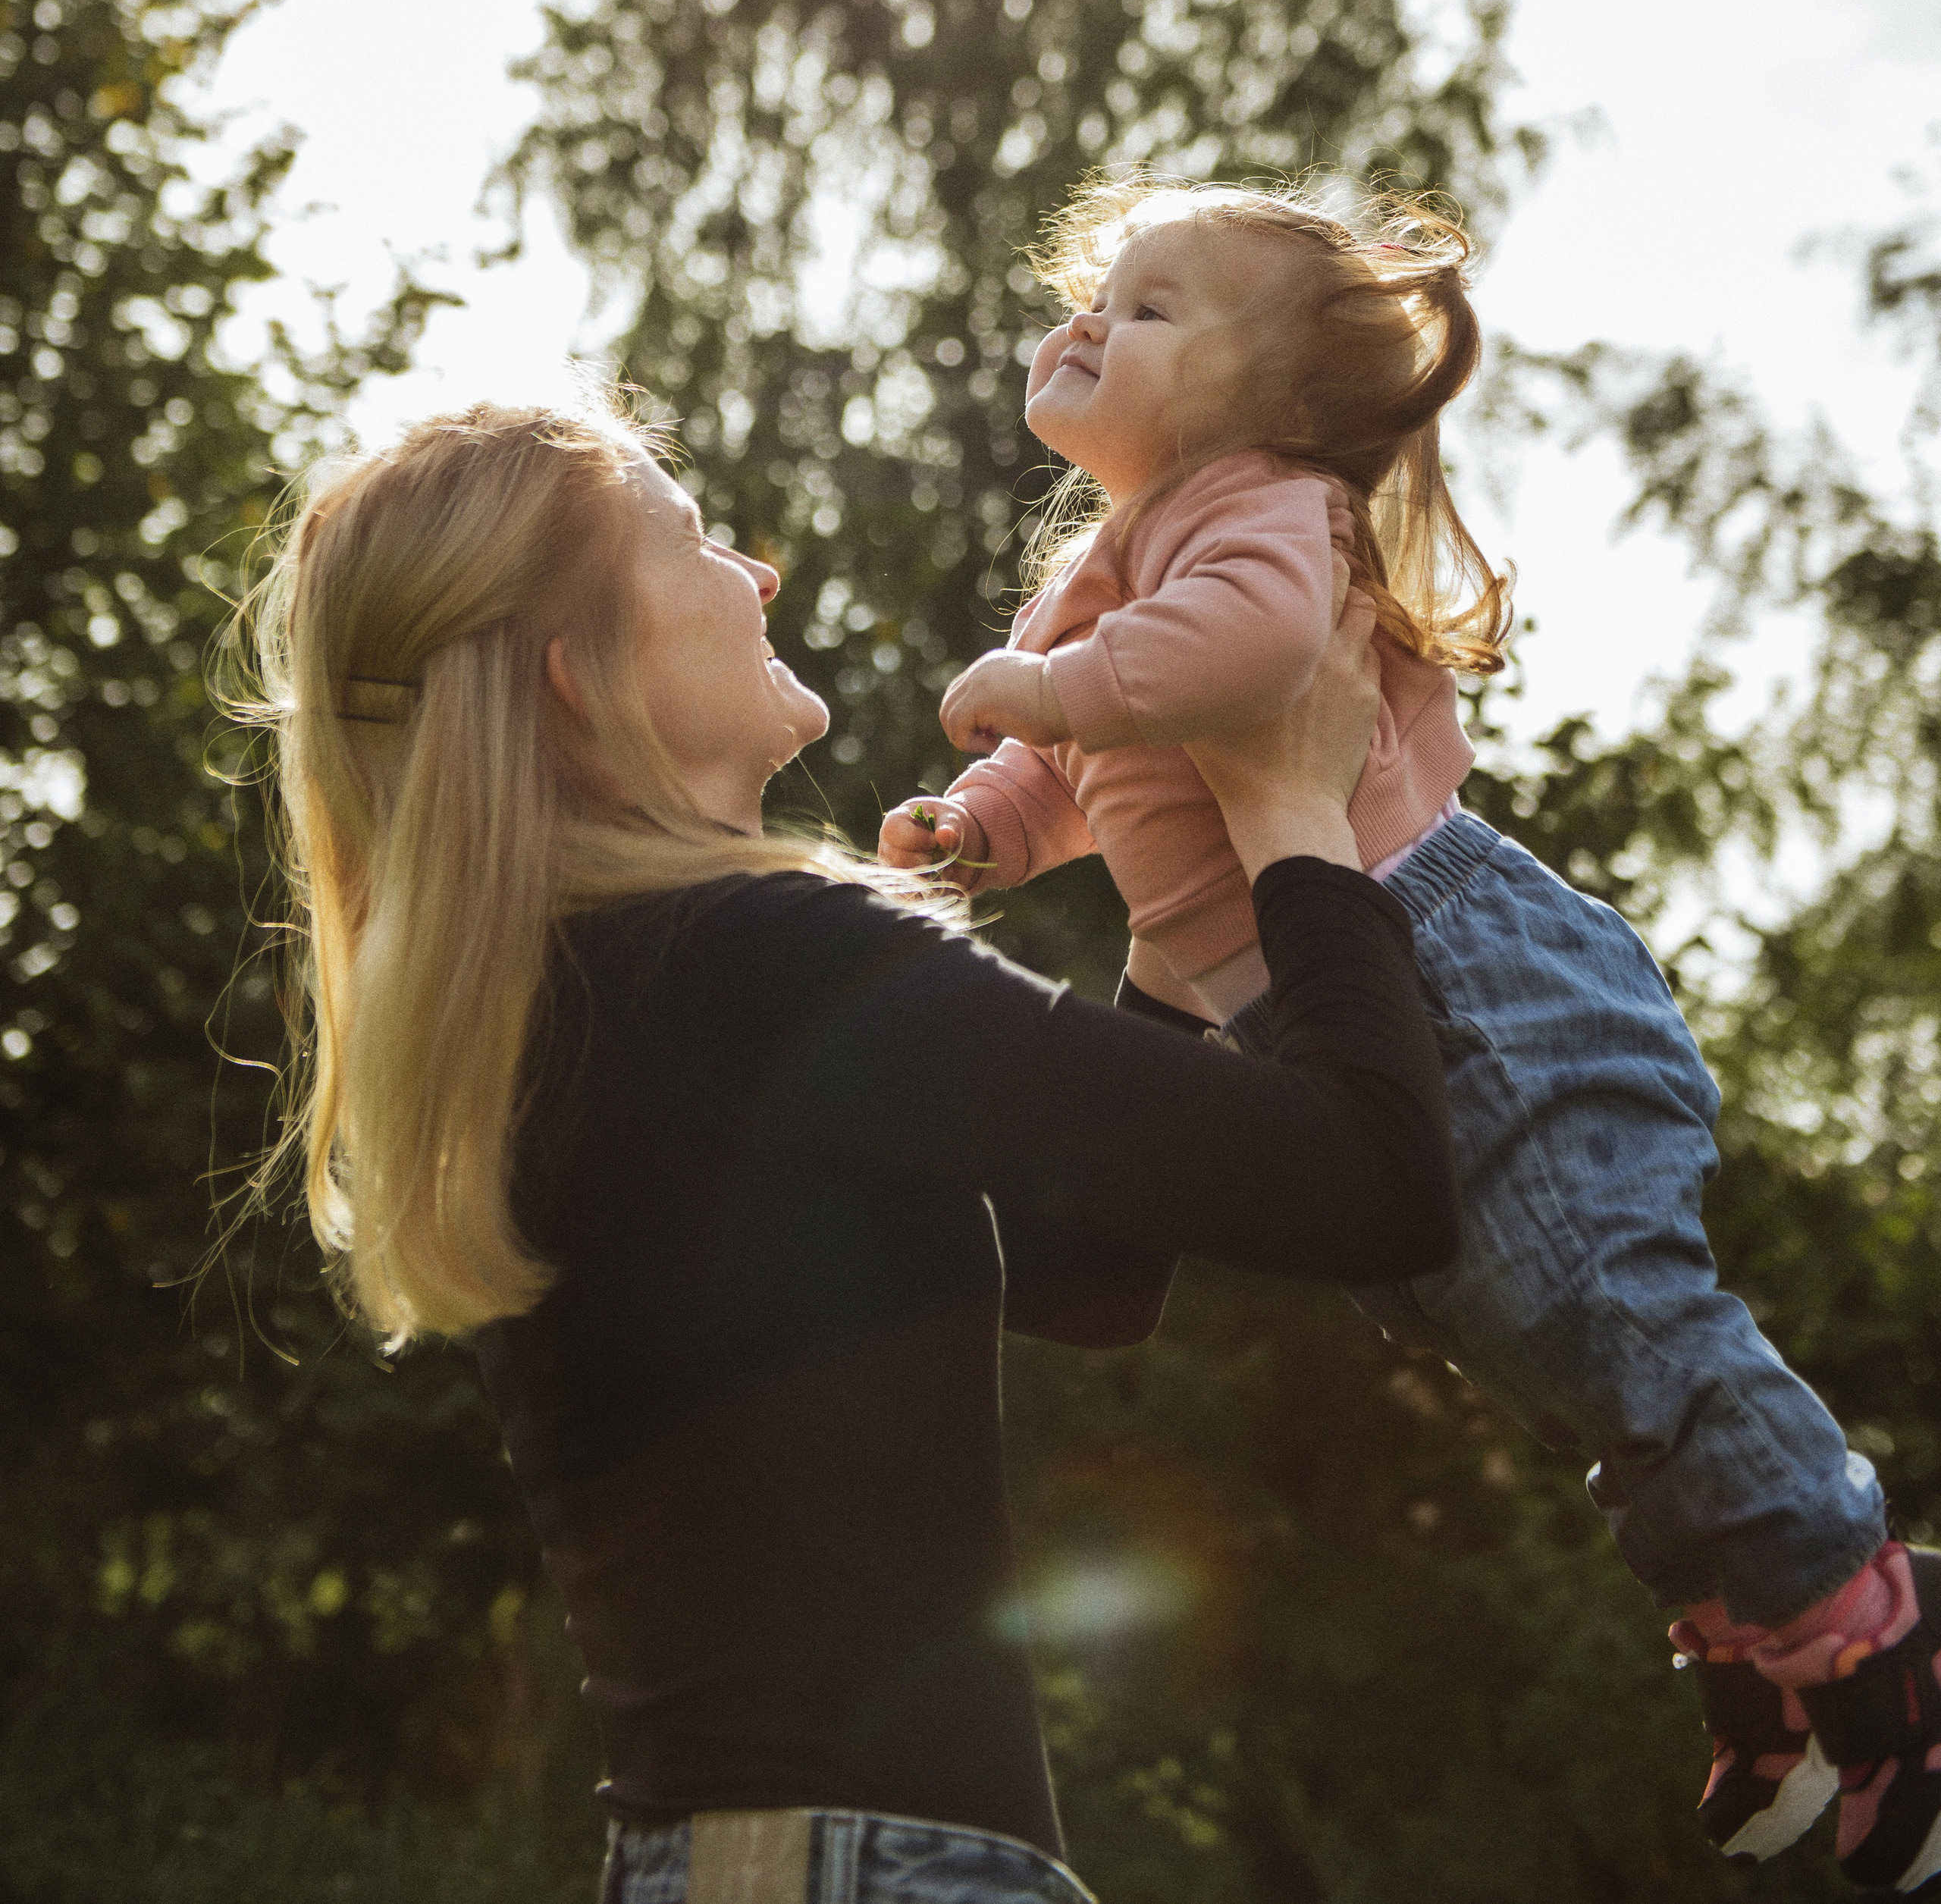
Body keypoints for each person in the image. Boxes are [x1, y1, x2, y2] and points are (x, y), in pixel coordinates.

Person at [242, 396, 1459, 1904]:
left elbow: (1090, 1281)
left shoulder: (583, 994)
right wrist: (1284, 805)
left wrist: (1174, 897)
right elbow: (1375, 1182)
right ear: (577, 680)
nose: (753, 576)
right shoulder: (754, 959)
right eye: (688, 546)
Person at [878, 173, 1941, 1894]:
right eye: (1096, 292)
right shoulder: (1101, 575)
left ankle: (1874, 1631)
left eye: (1150, 308)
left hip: (1462, 973)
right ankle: (1759, 1631)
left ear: (1277, 402)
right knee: (1555, 1367)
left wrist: (1055, 694)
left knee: (1610, 1322)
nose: (1089, 323)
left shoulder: (1265, 508)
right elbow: (1083, 766)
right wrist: (989, 816)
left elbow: (1250, 650)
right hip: (1340, 1008)